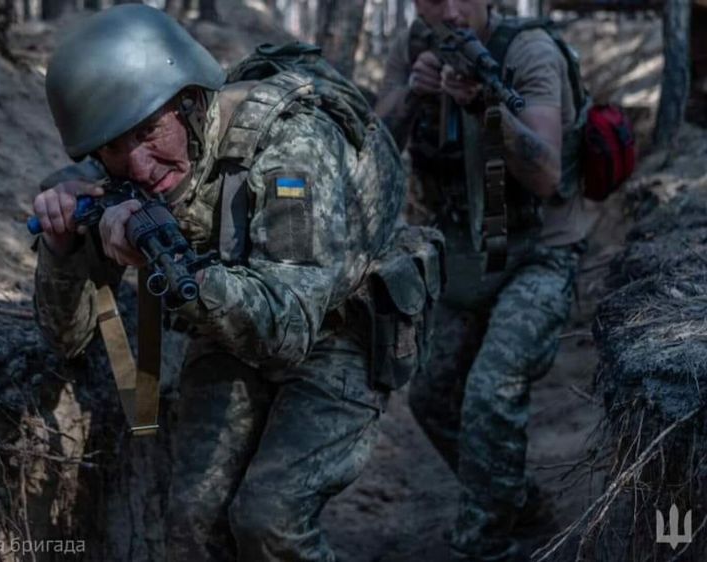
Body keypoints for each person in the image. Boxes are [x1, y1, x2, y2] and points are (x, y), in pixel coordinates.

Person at [31, 5, 411, 561]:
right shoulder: (119, 177)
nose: (139, 165)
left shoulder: (292, 150)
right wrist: (63, 248)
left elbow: (288, 330)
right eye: (114, 146)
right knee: (191, 521)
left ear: (190, 100)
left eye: (148, 130)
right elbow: (67, 340)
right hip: (231, 322)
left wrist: (165, 266)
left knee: (268, 519)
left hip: (341, 326)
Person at [375, 0, 593, 560]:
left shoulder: (529, 51)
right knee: (430, 396)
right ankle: (515, 500)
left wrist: (488, 106)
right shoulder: (413, 45)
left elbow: (545, 174)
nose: (448, 10)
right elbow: (376, 150)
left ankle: (484, 542)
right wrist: (414, 94)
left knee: (490, 391)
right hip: (469, 256)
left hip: (542, 252)